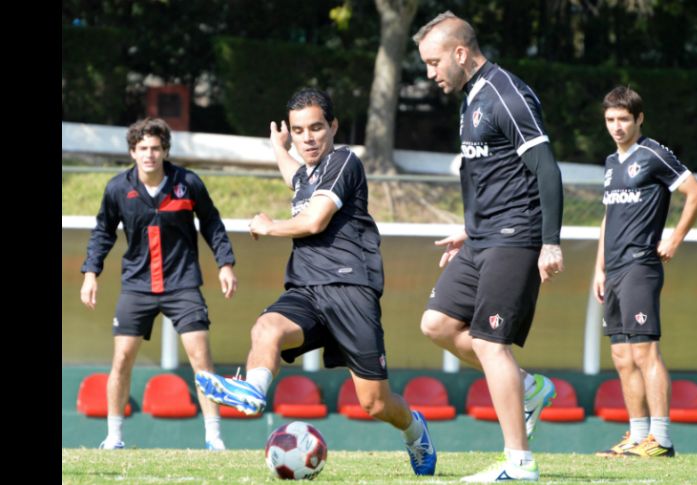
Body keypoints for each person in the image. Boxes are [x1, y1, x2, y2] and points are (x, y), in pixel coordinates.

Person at [194, 88, 437, 476]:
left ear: (333, 126)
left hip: (350, 291)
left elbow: (313, 221)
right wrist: (279, 147)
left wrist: (270, 226)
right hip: (306, 291)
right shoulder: (307, 171)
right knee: (267, 327)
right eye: (299, 130)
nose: (308, 137)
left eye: (316, 128)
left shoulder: (344, 162)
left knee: (375, 403)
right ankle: (253, 391)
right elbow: (297, 178)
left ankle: (415, 430)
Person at [413, 11, 564, 483]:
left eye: (434, 62)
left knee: (488, 341)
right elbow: (493, 175)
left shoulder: (506, 94)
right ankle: (528, 388)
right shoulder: (472, 96)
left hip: (516, 236)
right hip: (482, 236)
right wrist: (468, 228)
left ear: (461, 53)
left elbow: (546, 170)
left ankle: (519, 464)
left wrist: (551, 243)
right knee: (436, 324)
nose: (430, 73)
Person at [80, 118, 238, 451]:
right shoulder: (117, 189)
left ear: (165, 151)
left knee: (201, 359)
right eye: (143, 149)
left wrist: (225, 263)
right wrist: (91, 274)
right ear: (132, 152)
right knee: (122, 359)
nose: (150, 154)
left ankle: (214, 438)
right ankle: (114, 436)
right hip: (137, 285)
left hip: (182, 283)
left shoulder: (188, 183)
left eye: (156, 148)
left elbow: (212, 223)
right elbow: (102, 233)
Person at [593, 86, 697, 458]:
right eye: (610, 120)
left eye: (624, 119)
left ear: (639, 119)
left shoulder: (655, 154)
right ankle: (637, 434)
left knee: (645, 352)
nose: (617, 126)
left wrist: (674, 239)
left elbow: (696, 193)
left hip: (642, 266)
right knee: (622, 356)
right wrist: (599, 269)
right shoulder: (611, 164)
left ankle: (662, 439)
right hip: (615, 271)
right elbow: (608, 219)